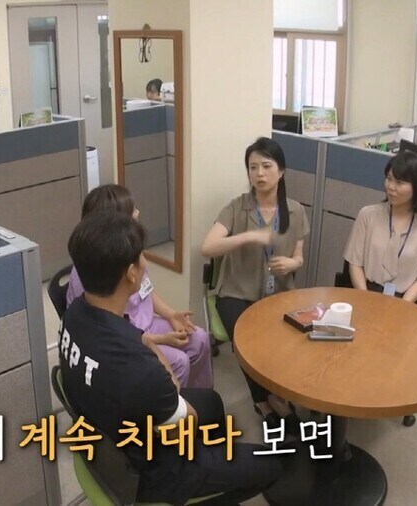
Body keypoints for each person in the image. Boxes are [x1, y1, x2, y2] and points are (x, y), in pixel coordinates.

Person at [61, 211, 282, 505]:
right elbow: (184, 419)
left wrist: (151, 346)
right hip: (147, 471)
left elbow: (135, 339)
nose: (145, 263)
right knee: (273, 466)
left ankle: (213, 459)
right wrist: (163, 367)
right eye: (142, 257)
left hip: (106, 436)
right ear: (131, 274)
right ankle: (203, 484)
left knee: (212, 402)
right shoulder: (143, 373)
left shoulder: (76, 313)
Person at [201, 137, 309, 422]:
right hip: (236, 293)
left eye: (266, 166)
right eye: (253, 167)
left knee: (287, 343)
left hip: (279, 293)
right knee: (248, 345)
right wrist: (248, 236)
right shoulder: (237, 208)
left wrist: (293, 263)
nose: (259, 173)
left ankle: (274, 394)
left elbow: (299, 255)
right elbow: (207, 247)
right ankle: (265, 399)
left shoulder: (295, 211)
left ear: (281, 171)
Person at [66, 184, 213, 389]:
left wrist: (171, 314)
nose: (138, 213)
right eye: (132, 210)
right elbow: (112, 335)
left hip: (145, 324)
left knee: (200, 338)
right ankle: (174, 404)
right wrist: (161, 340)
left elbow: (145, 290)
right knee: (179, 362)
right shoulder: (92, 278)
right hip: (125, 338)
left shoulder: (129, 252)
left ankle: (199, 394)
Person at [343, 151, 417, 304]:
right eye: (389, 179)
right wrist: (365, 300)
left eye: (399, 182)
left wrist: (399, 308)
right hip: (365, 294)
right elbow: (355, 264)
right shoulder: (368, 215)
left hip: (404, 302)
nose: (391, 187)